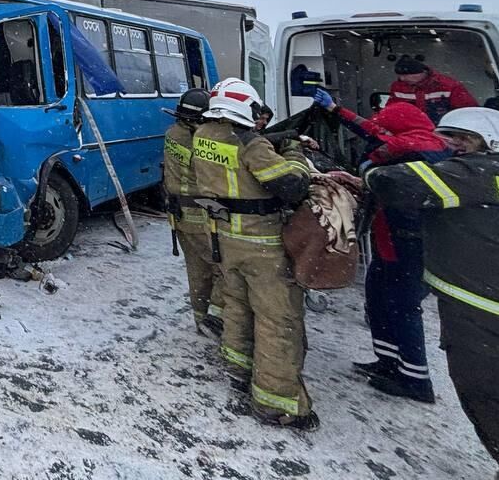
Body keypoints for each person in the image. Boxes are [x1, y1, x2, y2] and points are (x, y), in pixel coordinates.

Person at [365, 108, 499, 466]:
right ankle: (396, 366)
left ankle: (413, 377)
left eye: (462, 139)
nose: (452, 145)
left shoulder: (475, 172)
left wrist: (369, 172)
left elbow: (397, 184)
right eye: (449, 137)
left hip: (480, 308)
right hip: (474, 300)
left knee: (482, 391)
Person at [191, 78, 317, 430]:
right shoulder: (251, 146)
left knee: (237, 304)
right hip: (260, 242)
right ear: (246, 108)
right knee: (278, 319)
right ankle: (277, 402)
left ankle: (238, 366)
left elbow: (238, 151)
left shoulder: (204, 133)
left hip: (223, 237)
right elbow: (292, 186)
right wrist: (295, 154)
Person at [313, 89, 451, 403]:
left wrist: (357, 180)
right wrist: (337, 109)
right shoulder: (424, 140)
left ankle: (416, 379)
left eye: (385, 128)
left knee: (403, 306)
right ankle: (388, 361)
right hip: (391, 238)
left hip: (408, 241)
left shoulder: (411, 151)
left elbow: (380, 178)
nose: (379, 132)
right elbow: (373, 129)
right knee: (378, 298)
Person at [161, 89, 223, 336]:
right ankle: (216, 319)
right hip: (200, 214)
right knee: (223, 268)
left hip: (178, 214)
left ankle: (200, 318)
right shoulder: (199, 141)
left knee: (197, 271)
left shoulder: (172, 133)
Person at [389, 56, 477, 124]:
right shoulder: (398, 87)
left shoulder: (448, 85)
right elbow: (391, 110)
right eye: (399, 75)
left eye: (405, 75)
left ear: (421, 73)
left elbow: (467, 110)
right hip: (411, 132)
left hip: (443, 130)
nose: (402, 79)